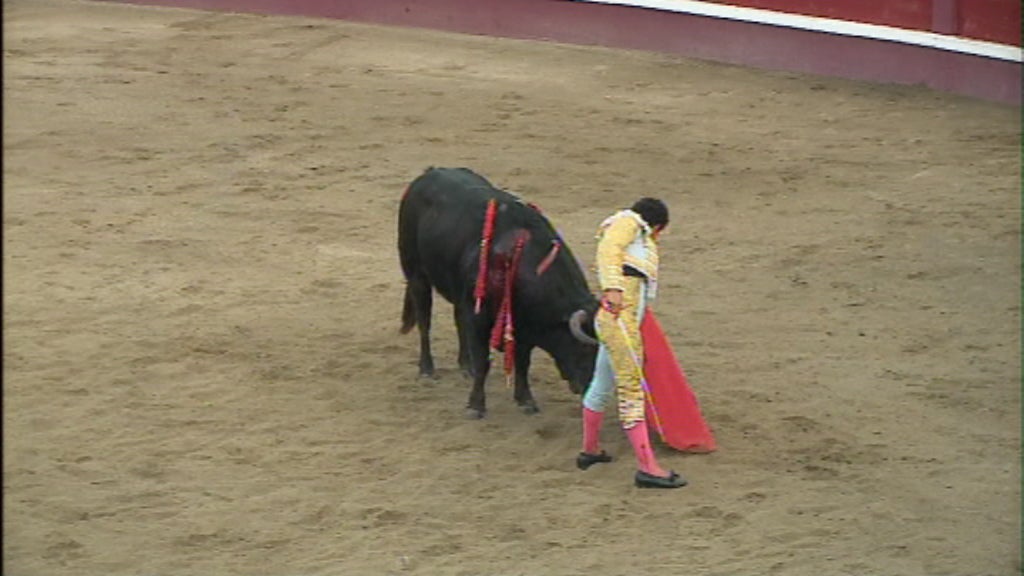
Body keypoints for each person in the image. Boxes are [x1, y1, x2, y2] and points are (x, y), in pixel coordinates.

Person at [576, 197, 687, 489]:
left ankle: (589, 451)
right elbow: (608, 248)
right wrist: (612, 287)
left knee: (601, 384)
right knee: (631, 388)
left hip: (618, 322)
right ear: (658, 227)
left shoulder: (635, 233)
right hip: (620, 320)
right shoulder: (629, 223)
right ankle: (648, 467)